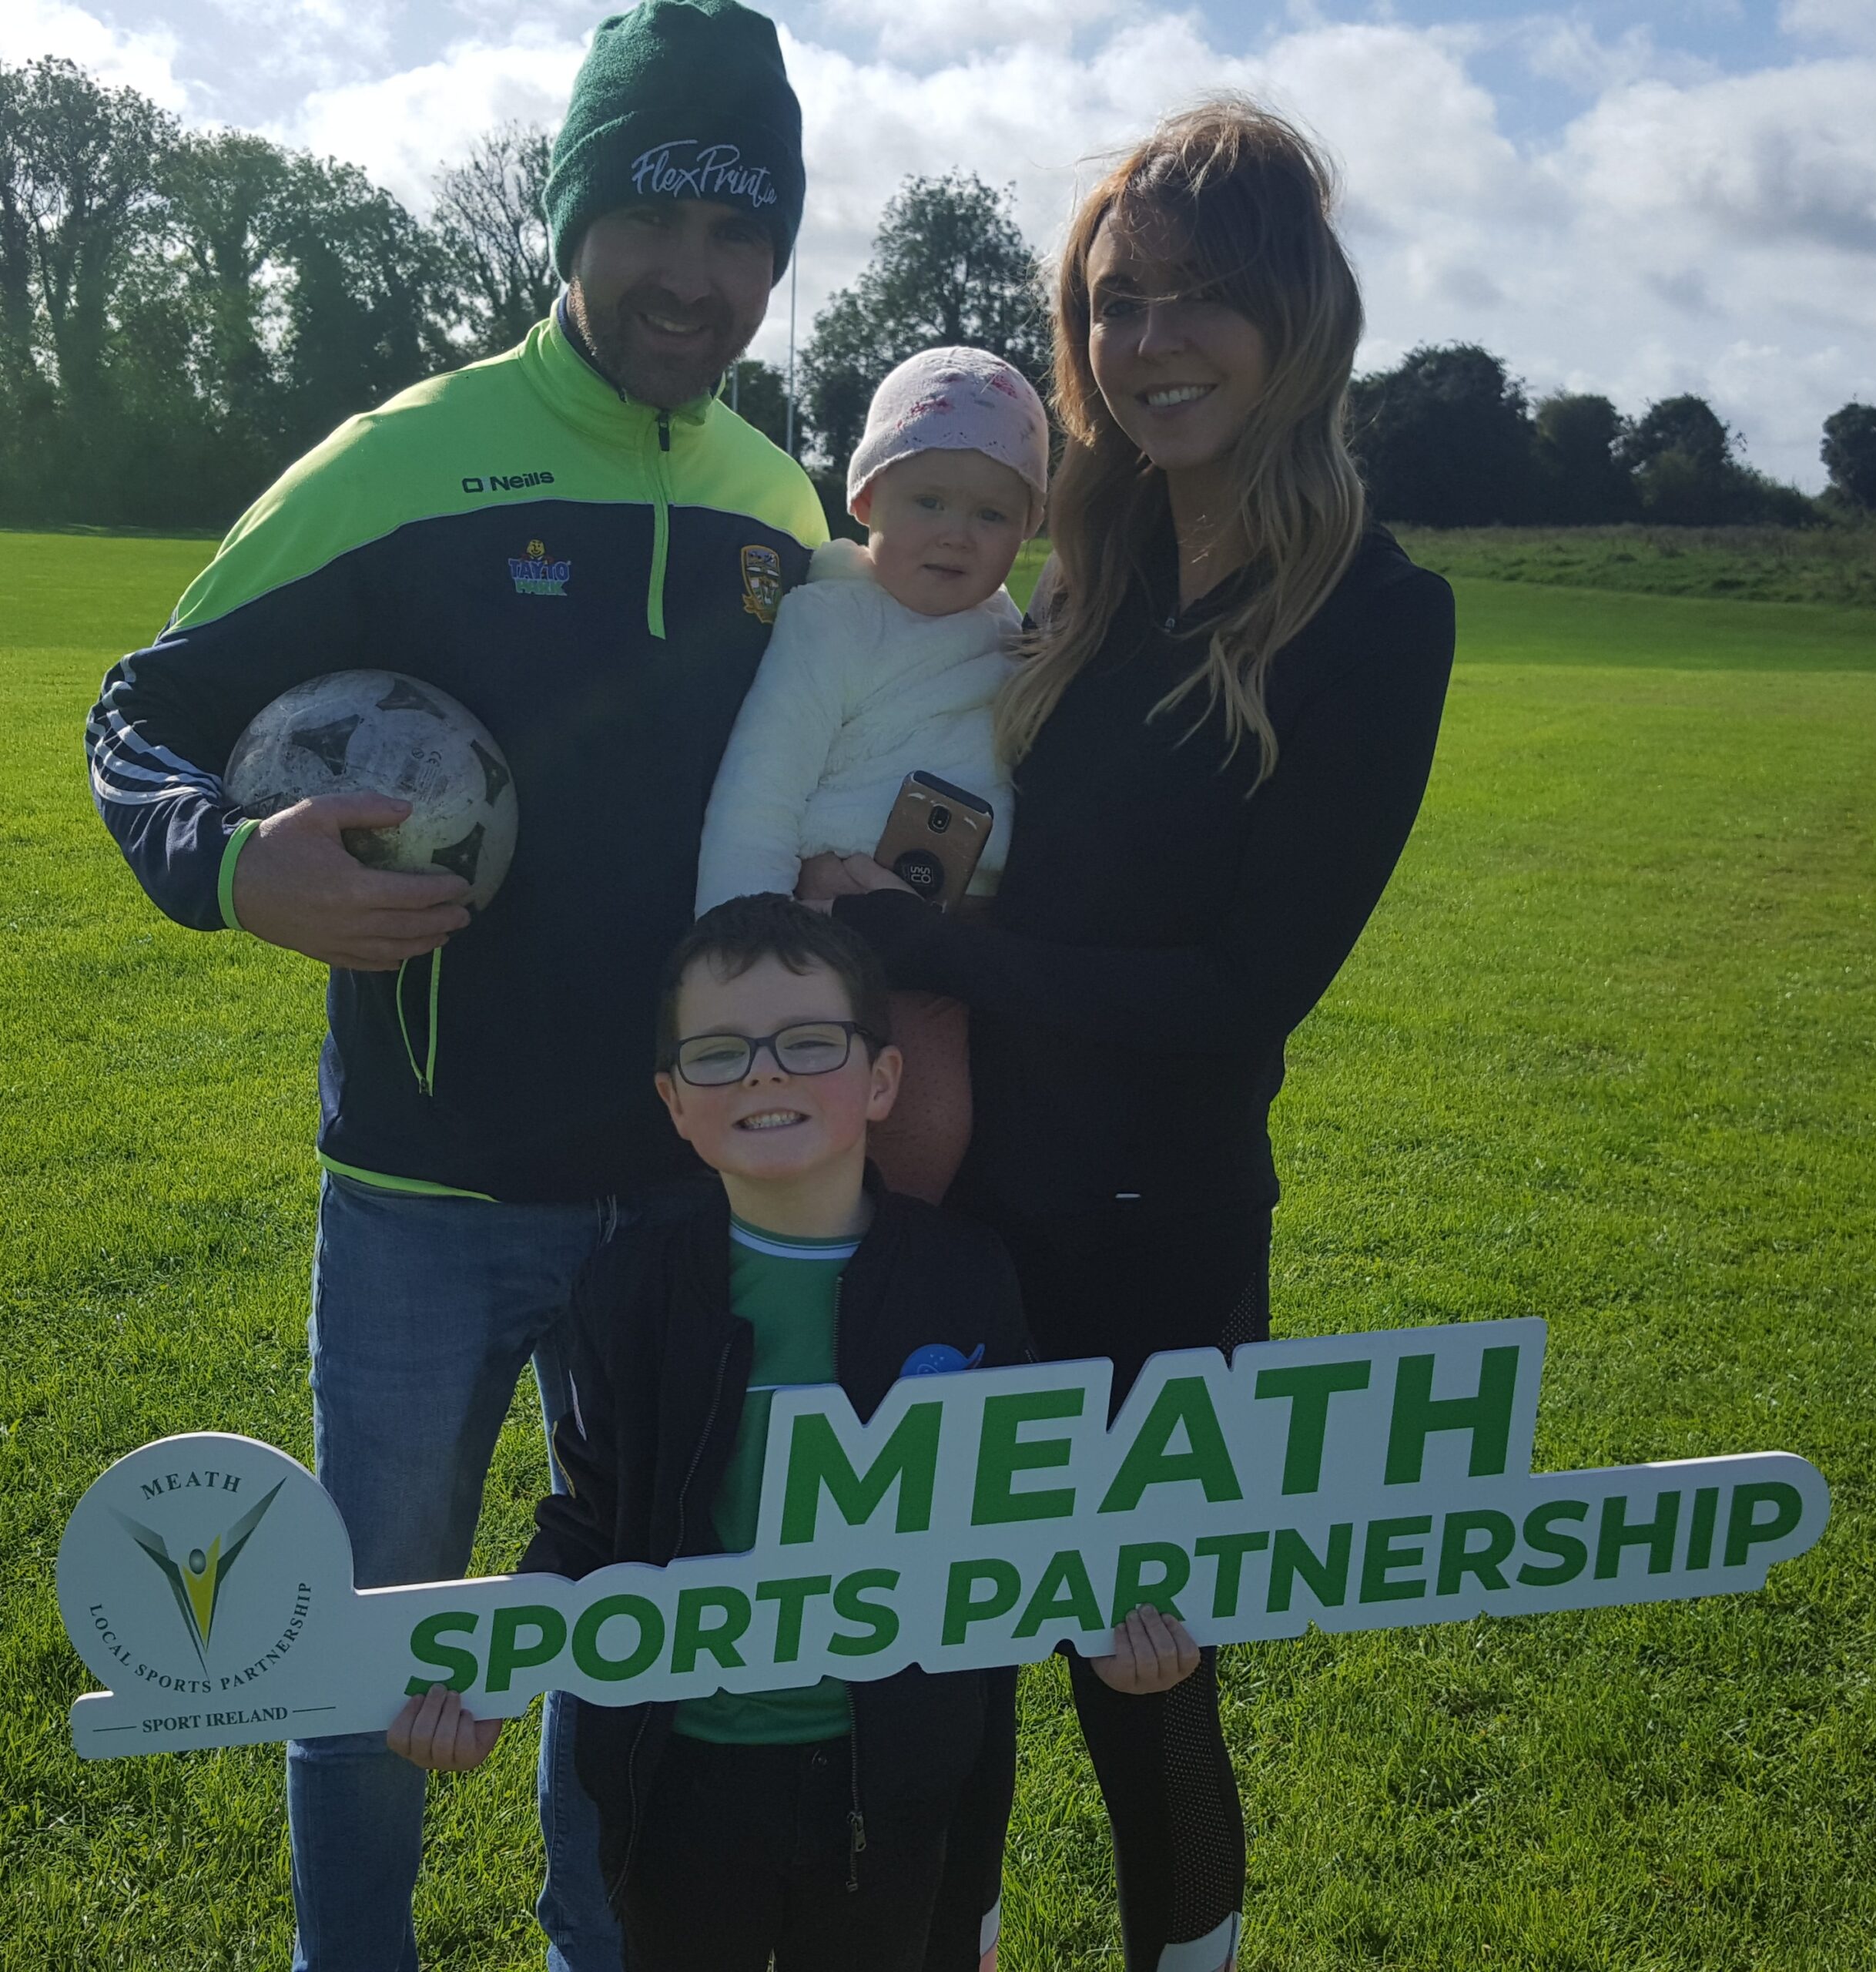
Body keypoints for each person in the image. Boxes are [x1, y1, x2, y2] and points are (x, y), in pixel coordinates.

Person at [82, 5, 822, 1965]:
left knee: (621, 1631)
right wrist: (237, 865)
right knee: (370, 1633)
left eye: (742, 233)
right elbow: (148, 709)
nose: (696, 275)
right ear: (573, 222)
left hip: (681, 1195)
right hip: (421, 1193)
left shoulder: (782, 506)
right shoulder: (400, 464)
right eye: (654, 217)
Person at [810, 101, 1458, 1972]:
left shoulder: (1374, 617)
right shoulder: (1062, 578)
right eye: (1115, 304)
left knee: (1145, 1670)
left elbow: (1244, 991)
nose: (1151, 342)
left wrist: (945, 945)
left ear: (1296, 317)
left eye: (1198, 300)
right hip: (953, 1205)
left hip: (1160, 1234)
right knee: (940, 1664)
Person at [384, 895, 1203, 1971]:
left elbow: (1020, 1512)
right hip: (679, 1784)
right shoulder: (631, 1292)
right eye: (719, 1054)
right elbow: (589, 1524)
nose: (764, 1075)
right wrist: (485, 1676)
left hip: (896, 1779)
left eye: (807, 1043)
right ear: (675, 1103)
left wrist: (1107, 1636)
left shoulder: (962, 1279)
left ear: (880, 1081)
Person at [695, 347, 1050, 1202]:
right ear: (864, 499)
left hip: (954, 946)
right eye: (927, 500)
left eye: (992, 514)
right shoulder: (834, 623)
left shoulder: (1011, 639)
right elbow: (760, 789)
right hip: (827, 937)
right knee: (850, 1142)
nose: (957, 533)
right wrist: (737, 953)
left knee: (938, 1133)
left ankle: (899, 1282)